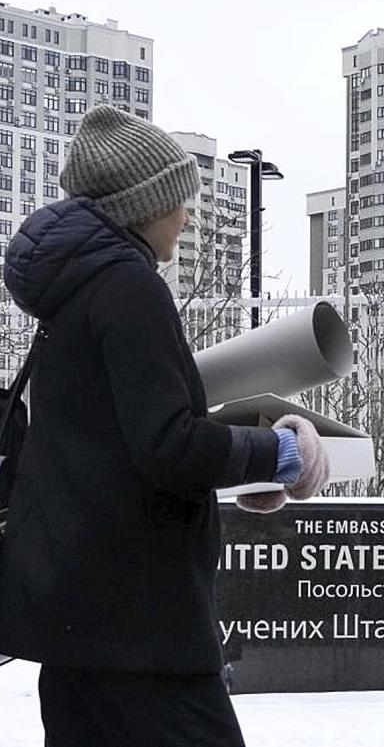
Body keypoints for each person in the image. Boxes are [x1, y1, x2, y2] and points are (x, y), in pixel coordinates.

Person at [0, 105, 328, 746]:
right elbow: (167, 446)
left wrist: (233, 471)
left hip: (77, 620)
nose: (188, 216)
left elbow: (108, 448)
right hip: (141, 631)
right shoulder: (130, 288)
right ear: (143, 206)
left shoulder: (72, 293)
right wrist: (280, 453)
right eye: (180, 199)